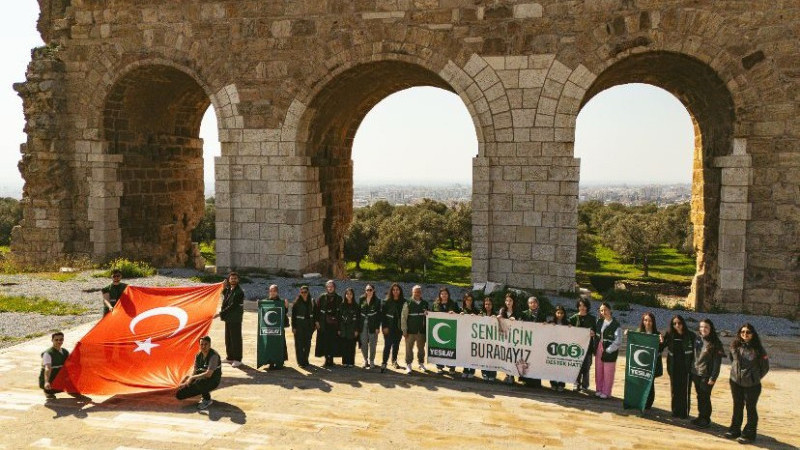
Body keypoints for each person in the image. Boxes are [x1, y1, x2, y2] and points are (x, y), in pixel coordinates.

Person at [725, 323, 769, 444]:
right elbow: (732, 360)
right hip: (735, 382)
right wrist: (736, 374)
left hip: (752, 385)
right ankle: (735, 430)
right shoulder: (734, 346)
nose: (745, 334)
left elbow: (765, 367)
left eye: (748, 332)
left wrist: (754, 378)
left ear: (753, 334)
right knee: (737, 406)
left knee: (751, 408)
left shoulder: (759, 349)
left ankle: (749, 434)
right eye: (742, 332)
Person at [690, 318, 724, 428]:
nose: (703, 329)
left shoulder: (716, 343)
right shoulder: (697, 338)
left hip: (707, 375)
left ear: (710, 329)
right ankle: (701, 416)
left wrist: (713, 377)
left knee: (705, 397)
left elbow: (717, 363)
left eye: (706, 327)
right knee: (700, 396)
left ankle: (706, 419)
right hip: (696, 372)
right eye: (701, 327)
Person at [661, 314, 695, 418]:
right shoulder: (670, 334)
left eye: (679, 323)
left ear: (683, 323)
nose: (677, 325)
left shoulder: (690, 335)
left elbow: (698, 350)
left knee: (684, 390)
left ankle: (684, 413)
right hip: (673, 366)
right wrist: (661, 341)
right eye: (674, 323)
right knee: (674, 389)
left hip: (686, 367)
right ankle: (675, 411)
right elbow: (661, 347)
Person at [176, 336, 222, 410]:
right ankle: (200, 392)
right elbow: (194, 372)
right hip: (201, 378)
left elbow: (209, 374)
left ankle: (207, 400)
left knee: (200, 382)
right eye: (201, 344)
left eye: (206, 344)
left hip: (213, 380)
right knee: (179, 394)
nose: (203, 346)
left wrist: (192, 378)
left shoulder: (214, 356)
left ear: (210, 345)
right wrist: (188, 382)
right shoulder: (198, 356)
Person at [216, 272, 244, 367]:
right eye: (231, 278)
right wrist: (223, 286)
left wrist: (220, 313)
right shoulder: (229, 289)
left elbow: (232, 306)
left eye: (235, 278)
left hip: (235, 319)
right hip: (228, 318)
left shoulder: (239, 292)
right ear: (229, 280)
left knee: (236, 339)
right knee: (228, 338)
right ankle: (230, 357)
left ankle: (237, 359)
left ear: (238, 280)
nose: (233, 280)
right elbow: (224, 294)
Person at [593, 302, 621, 399]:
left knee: (608, 372)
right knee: (598, 370)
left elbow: (618, 341)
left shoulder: (616, 324)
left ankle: (606, 391)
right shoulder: (599, 322)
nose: (603, 312)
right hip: (599, 348)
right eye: (601, 310)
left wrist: (608, 350)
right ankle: (599, 389)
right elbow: (597, 334)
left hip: (610, 350)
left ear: (610, 310)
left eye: (605, 309)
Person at [258, 284, 289, 370]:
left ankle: (279, 362)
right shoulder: (266, 301)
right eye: (271, 291)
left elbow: (284, 312)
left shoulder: (281, 302)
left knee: (279, 344)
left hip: (278, 328)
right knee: (270, 345)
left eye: (274, 291)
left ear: (277, 292)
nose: (272, 293)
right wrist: (259, 305)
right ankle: (271, 362)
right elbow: (262, 312)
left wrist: (286, 306)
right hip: (269, 329)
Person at [636, 312, 663, 409]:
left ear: (653, 322)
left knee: (650, 385)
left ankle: (648, 404)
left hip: (652, 364)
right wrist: (629, 334)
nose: (647, 322)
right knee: (641, 383)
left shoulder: (657, 334)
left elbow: (660, 350)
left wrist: (661, 342)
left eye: (650, 321)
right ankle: (640, 400)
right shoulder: (639, 331)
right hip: (641, 363)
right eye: (645, 320)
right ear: (643, 321)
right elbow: (634, 344)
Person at [569, 297, 596, 392]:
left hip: (588, 347)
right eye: (580, 306)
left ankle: (585, 385)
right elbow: (566, 330)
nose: (582, 308)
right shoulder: (573, 318)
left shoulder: (592, 319)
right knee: (576, 366)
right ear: (578, 306)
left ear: (587, 307)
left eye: (584, 306)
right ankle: (576, 384)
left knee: (586, 367)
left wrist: (593, 333)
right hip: (575, 347)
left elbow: (596, 332)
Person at [401, 285, 429, 374]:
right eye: (416, 292)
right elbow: (403, 317)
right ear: (412, 292)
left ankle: (421, 363)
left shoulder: (425, 303)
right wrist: (404, 330)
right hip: (410, 331)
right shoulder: (407, 303)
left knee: (421, 349)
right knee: (409, 348)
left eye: (419, 292)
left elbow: (428, 317)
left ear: (421, 293)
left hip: (421, 331)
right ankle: (408, 364)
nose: (417, 293)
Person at [314, 280, 343, 367]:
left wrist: (340, 325)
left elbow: (341, 312)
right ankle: (327, 360)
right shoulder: (322, 297)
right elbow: (316, 310)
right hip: (324, 323)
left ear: (334, 288)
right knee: (325, 342)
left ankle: (331, 359)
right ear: (326, 288)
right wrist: (317, 321)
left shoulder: (339, 298)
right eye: (328, 287)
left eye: (331, 286)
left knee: (333, 342)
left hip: (334, 324)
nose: (330, 288)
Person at [432, 287, 460, 374]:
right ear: (440, 295)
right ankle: (440, 367)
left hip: (451, 330)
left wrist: (454, 314)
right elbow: (431, 314)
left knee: (451, 349)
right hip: (439, 331)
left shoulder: (454, 304)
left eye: (446, 294)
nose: (444, 295)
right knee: (440, 348)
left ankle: (452, 368)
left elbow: (459, 314)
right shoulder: (435, 304)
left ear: (448, 295)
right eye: (442, 294)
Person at [520, 295, 545, 388]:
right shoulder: (524, 313)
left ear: (537, 304)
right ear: (528, 304)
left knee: (536, 361)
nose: (533, 304)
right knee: (526, 360)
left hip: (537, 341)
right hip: (526, 341)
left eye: (534, 302)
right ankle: (526, 380)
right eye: (530, 303)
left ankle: (536, 382)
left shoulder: (542, 314)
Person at [380, 283, 405, 373]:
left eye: (397, 289)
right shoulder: (386, 302)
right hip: (388, 327)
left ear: (400, 291)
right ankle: (384, 363)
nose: (395, 291)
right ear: (391, 291)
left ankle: (394, 361)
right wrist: (384, 327)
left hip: (398, 328)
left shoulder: (404, 302)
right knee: (387, 345)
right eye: (393, 290)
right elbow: (383, 316)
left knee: (396, 345)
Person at [39, 331, 69, 399]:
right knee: (51, 392)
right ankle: (47, 391)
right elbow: (47, 368)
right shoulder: (48, 353)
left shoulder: (65, 351)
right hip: (51, 377)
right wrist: (46, 382)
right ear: (52, 340)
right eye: (56, 340)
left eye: (61, 339)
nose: (59, 342)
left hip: (60, 376)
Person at [359, 284, 382, 369]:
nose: (368, 291)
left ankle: (371, 360)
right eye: (367, 290)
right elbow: (358, 312)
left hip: (373, 324)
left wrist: (377, 327)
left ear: (374, 290)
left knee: (373, 343)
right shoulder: (361, 299)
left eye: (370, 290)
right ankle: (365, 360)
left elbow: (379, 315)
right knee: (363, 343)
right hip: (362, 324)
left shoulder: (377, 300)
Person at [291, 285, 314, 367]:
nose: (304, 294)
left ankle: (306, 360)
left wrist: (313, 326)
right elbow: (293, 316)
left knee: (307, 344)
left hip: (309, 326)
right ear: (300, 293)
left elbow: (314, 314)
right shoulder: (296, 303)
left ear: (308, 292)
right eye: (302, 292)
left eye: (305, 292)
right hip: (299, 326)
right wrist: (293, 327)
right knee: (299, 344)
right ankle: (300, 362)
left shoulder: (312, 302)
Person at [497, 293, 518, 385]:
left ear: (513, 302)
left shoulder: (517, 311)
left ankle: (511, 376)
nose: (508, 302)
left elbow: (521, 321)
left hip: (514, 338)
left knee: (512, 356)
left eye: (510, 301)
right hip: (504, 338)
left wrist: (516, 319)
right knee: (505, 356)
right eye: (507, 301)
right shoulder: (502, 310)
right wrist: (498, 318)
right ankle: (507, 375)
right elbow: (499, 319)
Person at [338, 288, 362, 368]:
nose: (349, 295)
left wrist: (357, 330)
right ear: (345, 295)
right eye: (347, 294)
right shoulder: (341, 305)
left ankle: (351, 362)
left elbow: (358, 319)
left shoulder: (356, 306)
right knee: (344, 346)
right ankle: (345, 362)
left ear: (353, 295)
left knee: (351, 346)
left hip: (352, 329)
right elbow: (338, 318)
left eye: (350, 294)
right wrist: (339, 329)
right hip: (343, 329)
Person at [549, 305, 569, 392]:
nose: (560, 314)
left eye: (561, 313)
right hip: (552, 348)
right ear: (555, 313)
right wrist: (547, 325)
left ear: (564, 314)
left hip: (563, 348)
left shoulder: (567, 323)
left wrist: (571, 328)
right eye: (558, 313)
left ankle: (561, 384)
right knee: (552, 366)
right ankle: (553, 383)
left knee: (562, 366)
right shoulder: (551, 322)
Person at [460, 292, 479, 379]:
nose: (469, 301)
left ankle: (472, 370)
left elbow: (482, 319)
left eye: (471, 300)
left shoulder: (476, 310)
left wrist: (476, 316)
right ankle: (465, 370)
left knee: (473, 353)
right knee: (465, 354)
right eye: (467, 300)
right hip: (464, 335)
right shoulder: (461, 310)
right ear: (464, 300)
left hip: (474, 336)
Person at [479, 297, 497, 382]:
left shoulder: (496, 314)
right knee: (484, 356)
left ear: (492, 305)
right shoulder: (481, 314)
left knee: (493, 357)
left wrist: (496, 318)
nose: (487, 306)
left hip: (493, 340)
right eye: (486, 304)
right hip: (483, 340)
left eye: (489, 304)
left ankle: (492, 373)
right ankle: (484, 372)